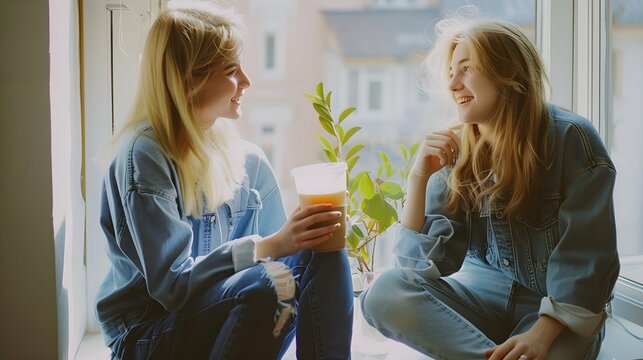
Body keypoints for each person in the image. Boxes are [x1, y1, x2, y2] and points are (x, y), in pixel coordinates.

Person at [95, 2, 353, 359]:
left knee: (323, 250)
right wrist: (270, 245)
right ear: (189, 80)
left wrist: (308, 233)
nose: (246, 81)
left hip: (223, 321)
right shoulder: (144, 155)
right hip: (148, 337)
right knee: (268, 286)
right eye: (232, 69)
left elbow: (286, 264)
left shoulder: (247, 160)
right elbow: (172, 288)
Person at [360, 17, 619, 360]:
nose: (453, 84)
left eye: (465, 69)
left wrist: (541, 334)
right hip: (478, 301)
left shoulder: (572, 140)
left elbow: (588, 261)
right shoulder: (456, 152)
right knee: (382, 295)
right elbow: (417, 268)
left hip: (555, 312)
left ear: (508, 73)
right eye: (451, 72)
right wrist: (417, 179)